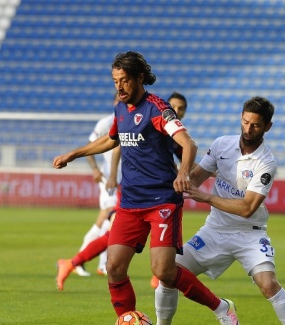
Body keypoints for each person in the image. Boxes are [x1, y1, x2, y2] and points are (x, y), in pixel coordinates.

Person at [53, 51, 238, 325]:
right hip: (130, 202)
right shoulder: (120, 109)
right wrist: (74, 154)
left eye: (125, 80)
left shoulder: (157, 109)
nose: (119, 86)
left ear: (140, 78)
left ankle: (221, 307)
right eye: (115, 80)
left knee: (163, 271)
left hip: (162, 200)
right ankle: (128, 320)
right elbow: (111, 139)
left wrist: (184, 172)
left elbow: (188, 144)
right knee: (115, 267)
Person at [154, 97, 285, 325]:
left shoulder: (266, 163)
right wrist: (176, 176)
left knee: (268, 284)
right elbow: (194, 178)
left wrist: (206, 197)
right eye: (245, 122)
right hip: (214, 230)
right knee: (168, 274)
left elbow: (247, 208)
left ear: (268, 127)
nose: (248, 129)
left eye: (255, 125)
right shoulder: (222, 144)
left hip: (249, 234)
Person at [56, 91, 192, 287]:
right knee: (110, 231)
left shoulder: (174, 135)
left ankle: (74, 263)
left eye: (182, 109)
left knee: (113, 233)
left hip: (156, 193)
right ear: (166, 106)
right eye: (174, 107)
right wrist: (112, 175)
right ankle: (73, 262)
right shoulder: (146, 117)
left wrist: (206, 172)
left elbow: (187, 157)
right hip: (130, 188)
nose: (177, 111)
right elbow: (117, 143)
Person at [74, 93, 122, 277]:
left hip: (124, 183)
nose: (121, 102)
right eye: (117, 100)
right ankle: (81, 261)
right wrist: (95, 169)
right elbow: (89, 147)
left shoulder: (132, 121)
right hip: (109, 182)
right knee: (108, 220)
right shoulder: (105, 124)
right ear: (114, 102)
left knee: (108, 224)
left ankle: (97, 263)